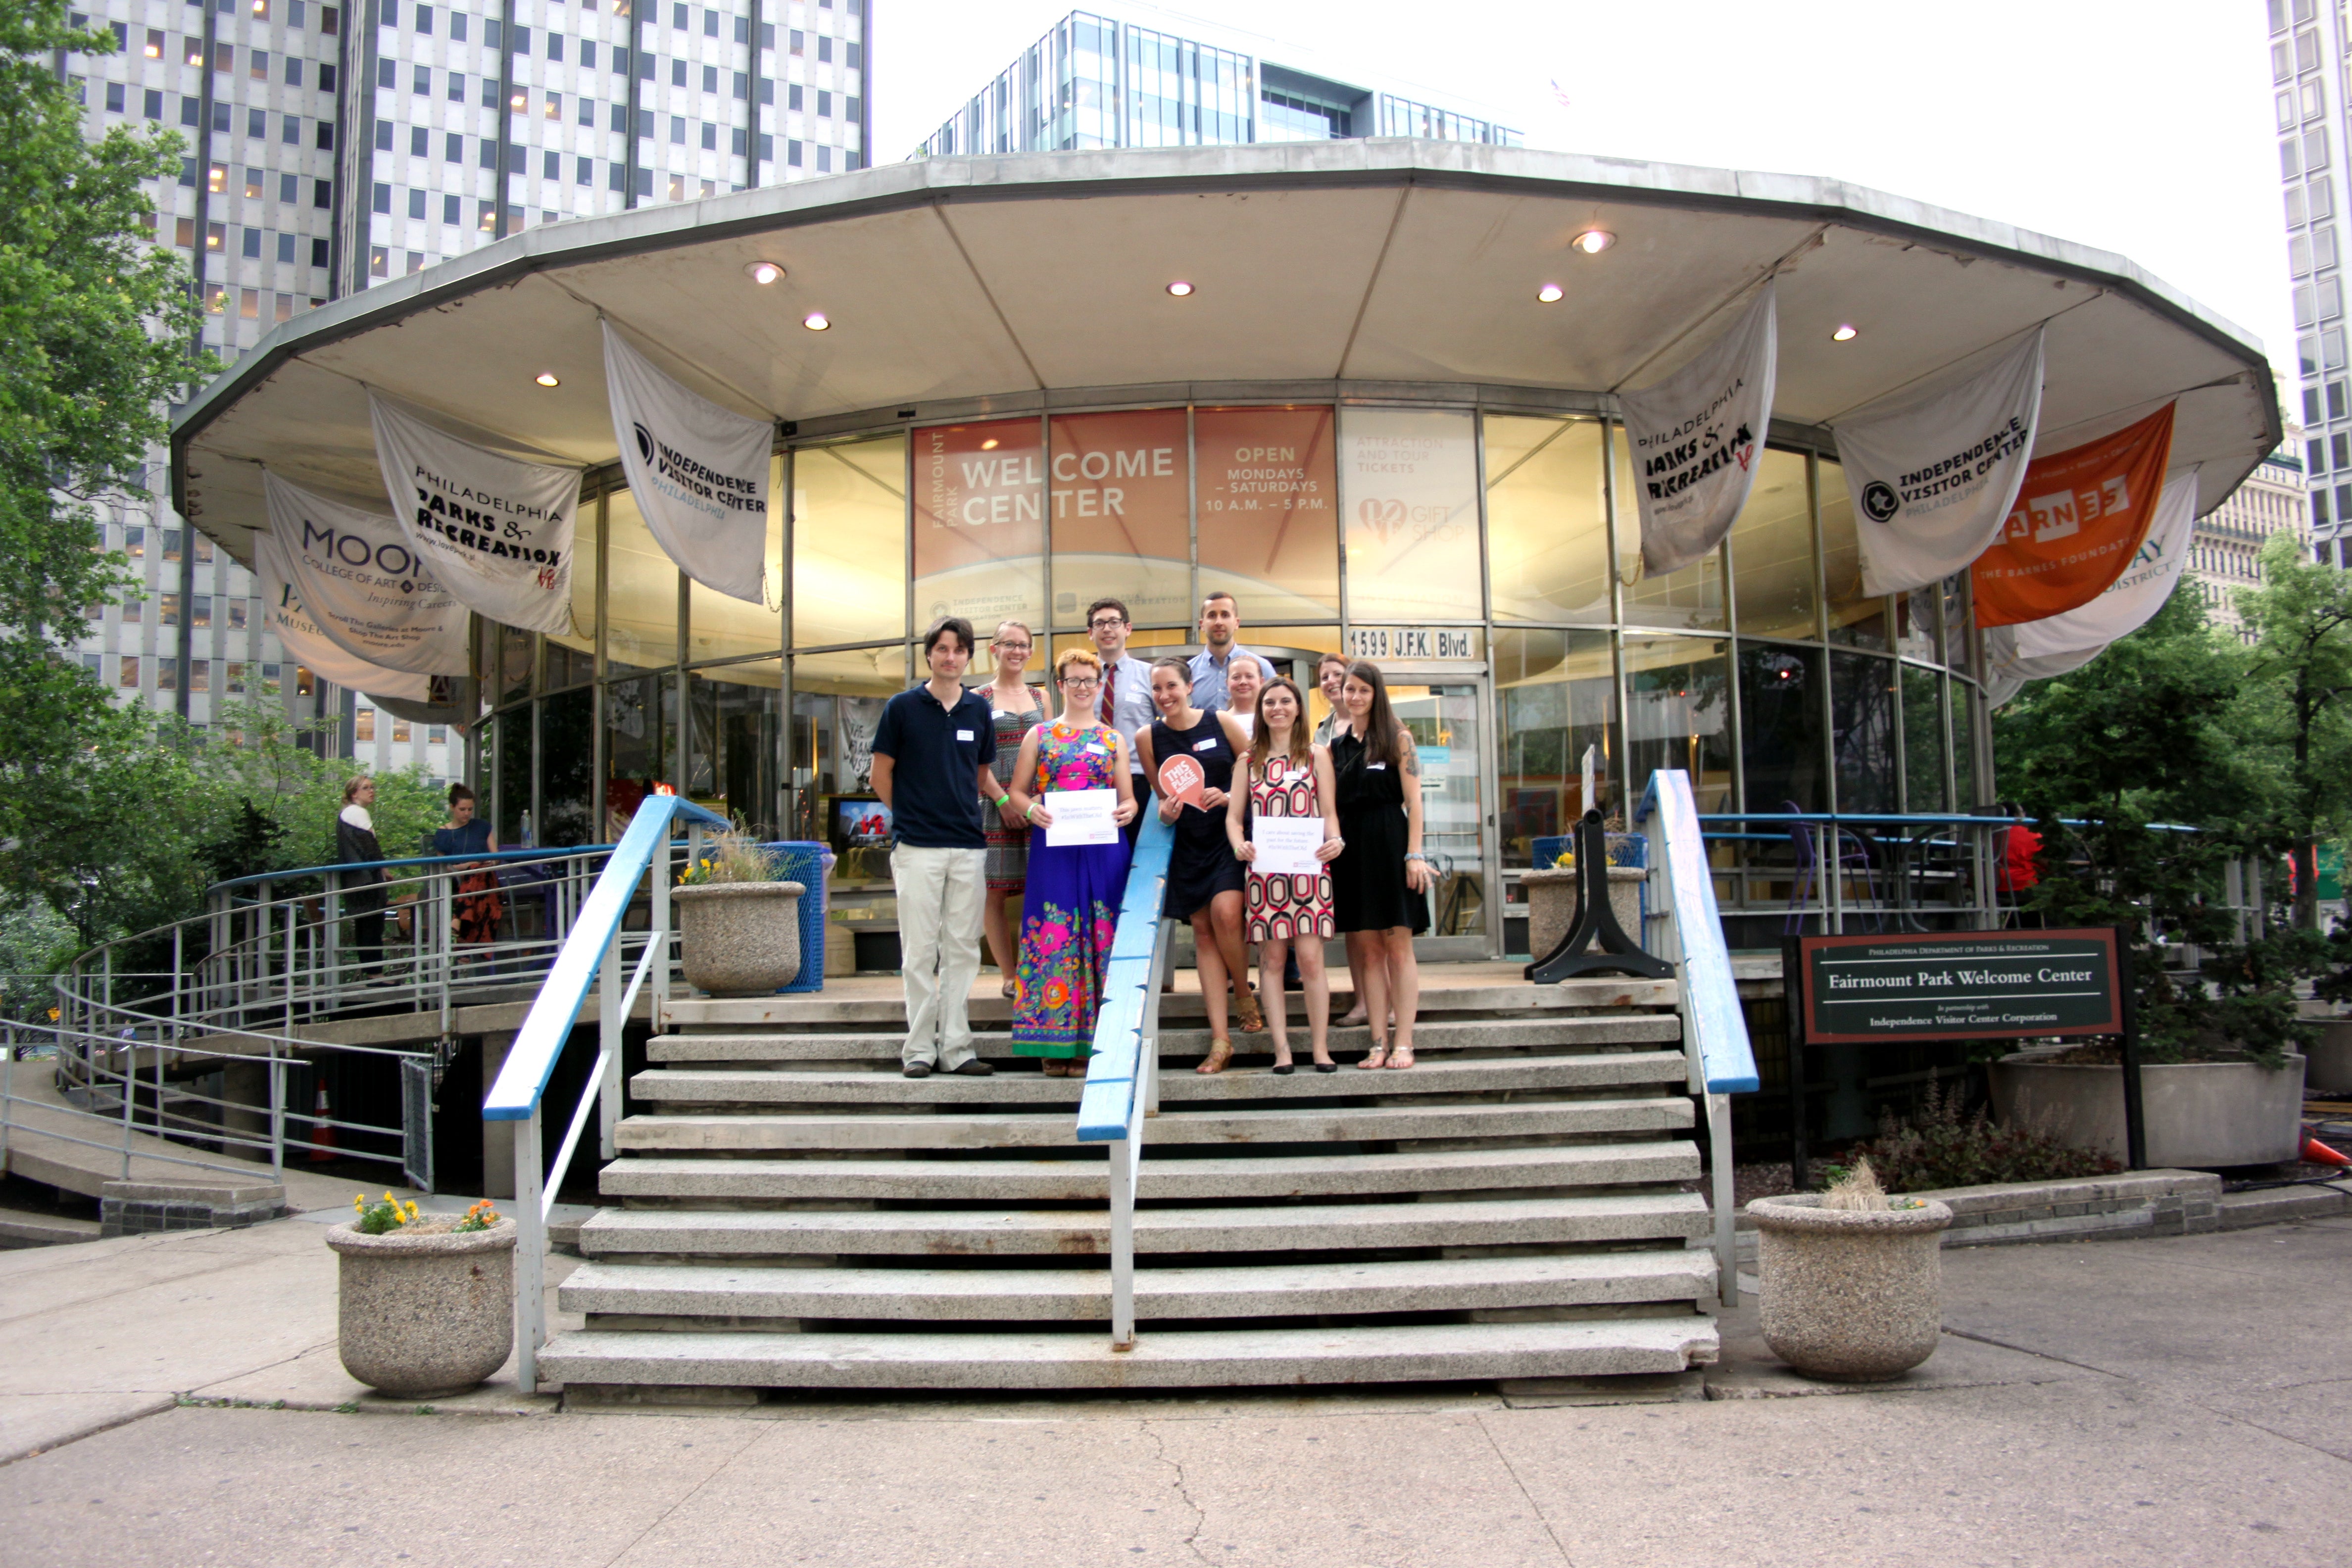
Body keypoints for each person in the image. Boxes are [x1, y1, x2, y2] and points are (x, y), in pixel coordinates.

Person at [872, 616, 1006, 1079]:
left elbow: (979, 774)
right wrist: (909, 816)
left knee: (963, 948)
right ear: (929, 653)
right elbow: (879, 775)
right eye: (942, 649)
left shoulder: (977, 711)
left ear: (970, 657)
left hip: (968, 846)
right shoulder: (902, 707)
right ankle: (919, 1050)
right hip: (917, 848)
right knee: (919, 951)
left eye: (960, 650)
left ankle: (956, 1047)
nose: (951, 657)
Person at [1005, 648, 1139, 1075]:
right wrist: (1031, 811)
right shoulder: (1040, 736)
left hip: (1104, 849)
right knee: (1054, 933)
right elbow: (1017, 792)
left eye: (1090, 680)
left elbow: (1128, 797)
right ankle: (1053, 1040)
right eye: (1074, 680)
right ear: (1059, 686)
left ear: (1100, 685)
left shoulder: (1113, 738)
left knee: (1102, 935)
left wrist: (1131, 810)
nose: (1083, 688)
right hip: (1055, 849)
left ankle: (1095, 1042)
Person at [1135, 656, 1264, 1071]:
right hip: (1189, 844)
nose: (1164, 696)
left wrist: (1230, 798)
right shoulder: (1147, 737)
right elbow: (1161, 798)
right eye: (1157, 689)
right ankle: (1221, 1040)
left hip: (1227, 836)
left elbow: (1257, 771)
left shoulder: (1221, 722)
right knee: (1205, 934)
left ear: (1190, 687)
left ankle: (1242, 992)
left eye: (1171, 686)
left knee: (1228, 913)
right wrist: (1168, 814)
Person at [1226, 678, 1344, 1073]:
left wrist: (1337, 841)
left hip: (1309, 870)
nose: (1278, 708)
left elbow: (1328, 812)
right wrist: (1239, 844)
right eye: (1270, 702)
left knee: (1311, 960)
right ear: (1260, 711)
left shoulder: (1317, 756)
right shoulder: (1248, 760)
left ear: (1298, 708)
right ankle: (1282, 1050)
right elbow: (1232, 817)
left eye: (1285, 701)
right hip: (1265, 873)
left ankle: (1321, 1049)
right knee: (1272, 961)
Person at [1329, 661, 1435, 1069]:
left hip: (1392, 844)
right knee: (1369, 952)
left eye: (1363, 690)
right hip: (1352, 852)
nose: (1355, 697)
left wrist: (1414, 854)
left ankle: (1404, 1042)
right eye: (1349, 690)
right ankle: (1377, 1043)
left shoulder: (1398, 739)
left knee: (1398, 948)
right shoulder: (1336, 747)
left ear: (1377, 694)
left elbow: (1415, 802)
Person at [980, 620, 1047, 998]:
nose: (1017, 651)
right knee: (995, 891)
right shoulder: (979, 698)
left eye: (1023, 645)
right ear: (995, 649)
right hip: (993, 803)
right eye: (1009, 644)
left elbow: (1050, 749)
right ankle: (1009, 975)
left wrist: (1036, 800)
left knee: (1035, 886)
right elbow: (975, 760)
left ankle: (1035, 966)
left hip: (1036, 804)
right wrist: (1003, 800)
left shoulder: (1041, 698)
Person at [1087, 597, 1158, 847]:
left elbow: (1166, 727)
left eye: (1114, 622)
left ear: (1128, 628)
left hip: (1138, 783)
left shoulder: (1150, 675)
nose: (1107, 629)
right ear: (1090, 633)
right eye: (1100, 624)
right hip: (1091, 784)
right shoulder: (1082, 678)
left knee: (1136, 860)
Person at [432, 783, 504, 949]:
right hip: (458, 880)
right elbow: (443, 867)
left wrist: (488, 863)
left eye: (470, 810)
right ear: (452, 808)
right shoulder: (443, 833)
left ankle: (459, 919)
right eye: (462, 809)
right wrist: (466, 866)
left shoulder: (482, 827)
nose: (467, 814)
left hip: (486, 878)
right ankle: (465, 947)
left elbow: (497, 857)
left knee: (477, 872)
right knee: (474, 873)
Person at [335, 777, 393, 984]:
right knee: (373, 926)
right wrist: (384, 870)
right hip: (367, 880)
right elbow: (372, 846)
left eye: (372, 787)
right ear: (354, 793)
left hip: (355, 880)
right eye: (366, 788)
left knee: (364, 926)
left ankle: (371, 972)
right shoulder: (358, 812)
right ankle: (375, 974)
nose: (372, 791)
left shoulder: (346, 814)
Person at [1187, 590, 1276, 714]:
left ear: (1237, 623)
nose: (1219, 622)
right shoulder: (1188, 672)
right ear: (1202, 625)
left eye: (1225, 615)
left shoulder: (1262, 668)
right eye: (1212, 616)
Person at [1998, 800, 2043, 929]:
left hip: (1994, 886)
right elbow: (2047, 862)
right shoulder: (2030, 835)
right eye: (2023, 812)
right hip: (2024, 887)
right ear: (2017, 815)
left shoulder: (1990, 835)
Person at [1224, 654, 1264, 742]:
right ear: (1227, 683)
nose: (1243, 682)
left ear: (1261, 682)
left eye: (1249, 676)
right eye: (1236, 677)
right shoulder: (1221, 721)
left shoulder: (1269, 718)